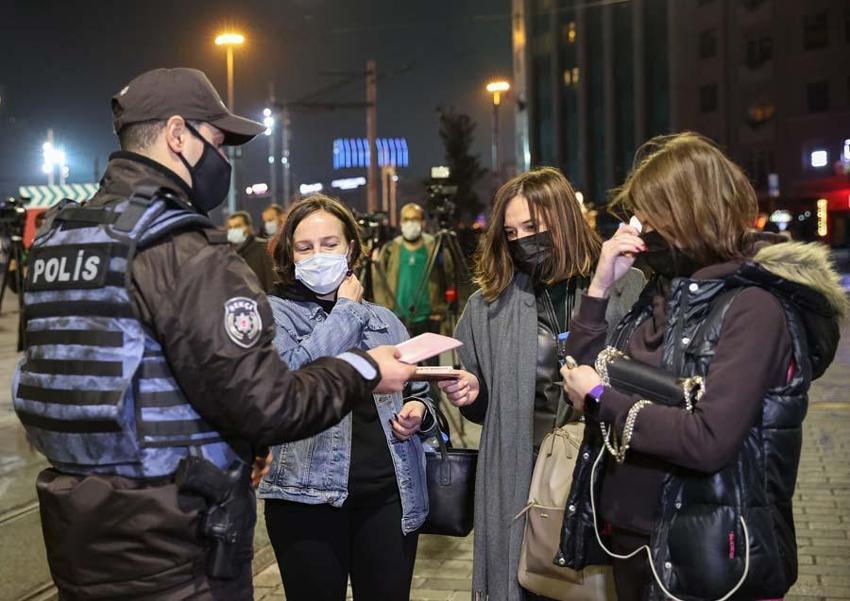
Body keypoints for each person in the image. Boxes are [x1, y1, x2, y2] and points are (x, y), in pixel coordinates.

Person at [11, 67, 415, 601]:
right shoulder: (183, 250)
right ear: (179, 135)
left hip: (80, 532)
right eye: (218, 142)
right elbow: (271, 404)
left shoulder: (63, 240)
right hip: (175, 542)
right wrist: (365, 369)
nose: (222, 158)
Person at [559, 132, 846, 600]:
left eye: (651, 212)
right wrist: (599, 288)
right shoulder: (664, 289)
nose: (639, 225)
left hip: (706, 553)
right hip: (630, 540)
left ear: (691, 212)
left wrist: (600, 397)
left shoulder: (753, 307)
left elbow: (708, 439)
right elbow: (582, 373)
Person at [438, 167, 644, 601]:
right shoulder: (487, 305)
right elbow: (480, 402)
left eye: (532, 227)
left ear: (565, 217)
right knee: (524, 584)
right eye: (512, 232)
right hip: (520, 470)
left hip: (600, 469)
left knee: (598, 585)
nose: (522, 241)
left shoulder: (626, 285)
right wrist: (471, 396)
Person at [259, 194, 434, 601]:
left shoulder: (386, 319)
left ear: (352, 248)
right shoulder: (275, 314)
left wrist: (418, 412)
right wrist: (346, 312)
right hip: (305, 502)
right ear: (291, 255)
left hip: (388, 499)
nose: (318, 255)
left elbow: (420, 391)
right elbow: (292, 377)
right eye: (305, 247)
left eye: (329, 244)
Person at [372, 202, 452, 336]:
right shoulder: (391, 248)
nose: (410, 223)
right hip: (398, 316)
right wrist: (386, 311)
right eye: (406, 219)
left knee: (430, 356)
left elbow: (448, 276)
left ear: (423, 222)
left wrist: (441, 309)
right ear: (400, 222)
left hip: (429, 317)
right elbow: (379, 283)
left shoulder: (434, 246)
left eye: (414, 219)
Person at [227, 210, 276, 291]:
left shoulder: (263, 248)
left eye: (237, 226)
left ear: (248, 227)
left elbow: (271, 281)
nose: (233, 230)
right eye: (230, 227)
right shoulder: (227, 252)